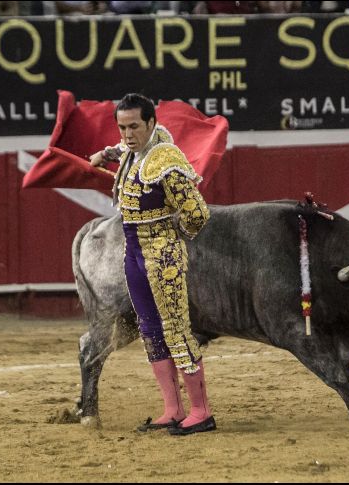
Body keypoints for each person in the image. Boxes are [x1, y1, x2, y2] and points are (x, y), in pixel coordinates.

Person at [88, 93, 216, 436]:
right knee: (150, 329)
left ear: (151, 123)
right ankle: (173, 410)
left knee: (176, 329)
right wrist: (105, 154)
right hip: (133, 253)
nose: (128, 134)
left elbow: (197, 213)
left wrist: (172, 237)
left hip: (161, 255)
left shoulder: (166, 158)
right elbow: (122, 149)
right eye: (122, 127)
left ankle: (201, 412)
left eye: (134, 127)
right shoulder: (134, 150)